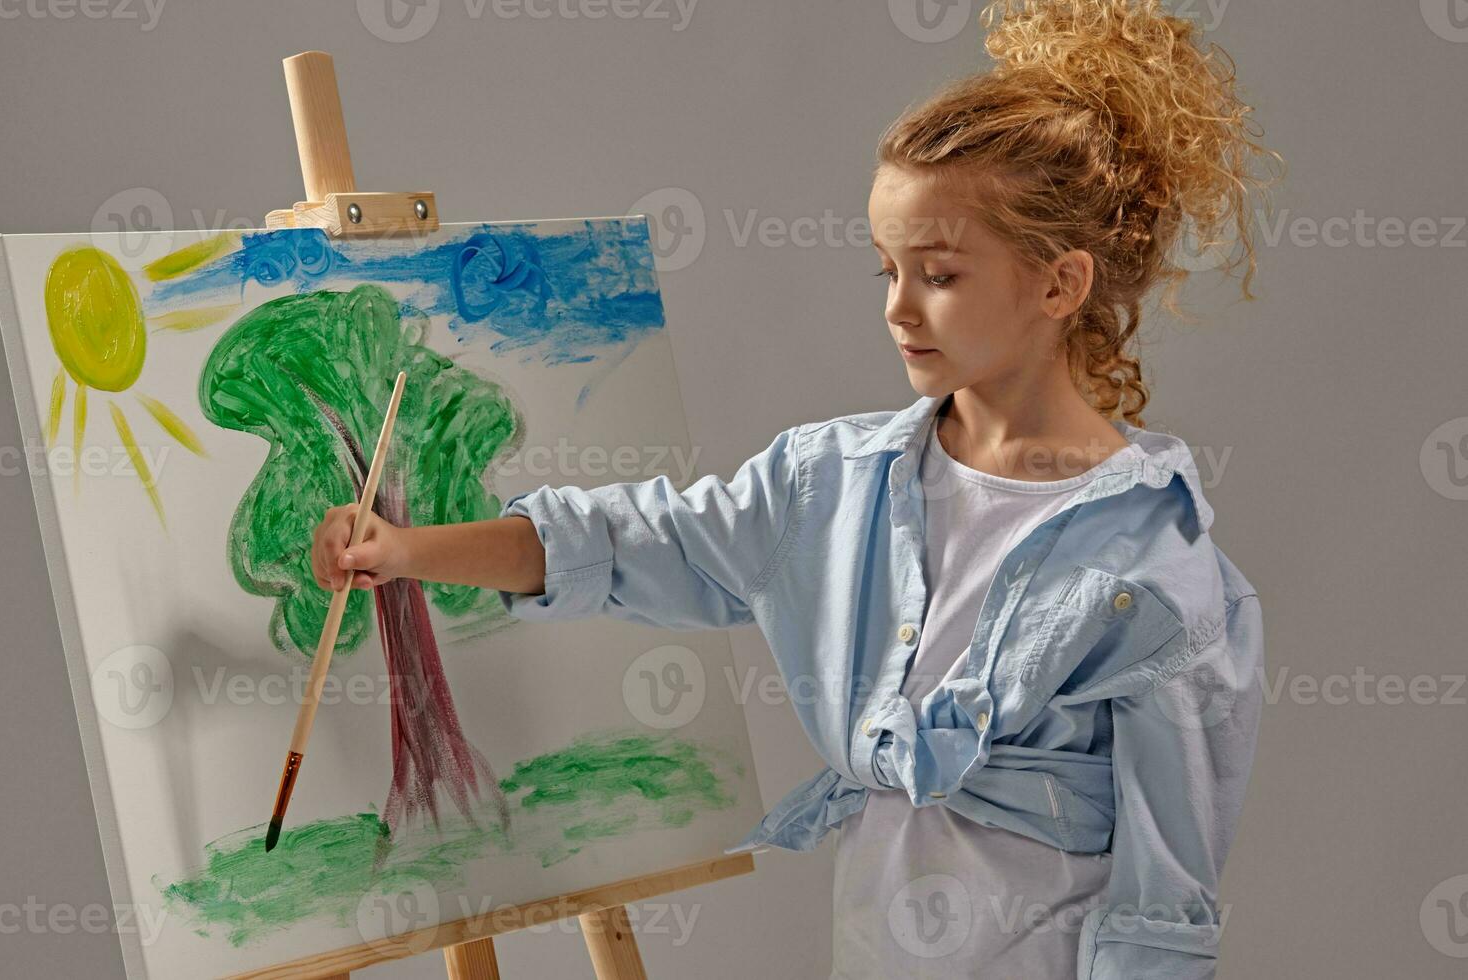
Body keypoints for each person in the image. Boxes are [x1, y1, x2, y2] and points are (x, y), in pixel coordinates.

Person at [310, 1, 1283, 975]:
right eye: (886, 269)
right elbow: (627, 540)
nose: (898, 308)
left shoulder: (1160, 573)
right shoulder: (830, 482)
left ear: (1060, 284)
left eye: (938, 274)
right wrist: (402, 551)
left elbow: (1164, 910)